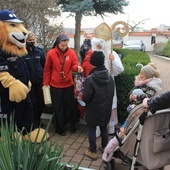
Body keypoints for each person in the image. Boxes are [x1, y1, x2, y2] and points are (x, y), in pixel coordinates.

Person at [82, 37, 124, 135]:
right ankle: (96, 132)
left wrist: (113, 60)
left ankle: (109, 130)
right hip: (95, 84)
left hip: (108, 84)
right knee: (96, 107)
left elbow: (120, 70)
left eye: (100, 45)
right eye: (97, 45)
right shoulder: (93, 54)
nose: (98, 47)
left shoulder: (112, 54)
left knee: (108, 106)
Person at [43, 34, 83, 136]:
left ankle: (72, 125)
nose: (64, 47)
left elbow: (74, 65)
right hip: (55, 85)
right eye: (62, 45)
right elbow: (47, 70)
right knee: (58, 108)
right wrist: (46, 84)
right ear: (58, 43)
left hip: (68, 84)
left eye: (66, 45)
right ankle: (59, 128)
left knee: (70, 107)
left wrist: (77, 68)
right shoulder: (51, 53)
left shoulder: (71, 52)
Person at [83, 51, 114, 160]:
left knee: (91, 128)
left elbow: (85, 97)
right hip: (106, 109)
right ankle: (105, 146)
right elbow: (111, 94)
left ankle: (92, 150)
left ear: (93, 63)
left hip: (93, 109)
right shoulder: (110, 77)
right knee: (104, 127)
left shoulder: (90, 79)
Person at [23, 32, 46, 127]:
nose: (31, 42)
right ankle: (33, 122)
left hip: (39, 81)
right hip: (29, 83)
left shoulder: (39, 51)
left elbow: (44, 65)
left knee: (41, 103)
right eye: (29, 40)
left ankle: (38, 120)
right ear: (25, 41)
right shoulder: (22, 53)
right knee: (32, 104)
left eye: (33, 40)